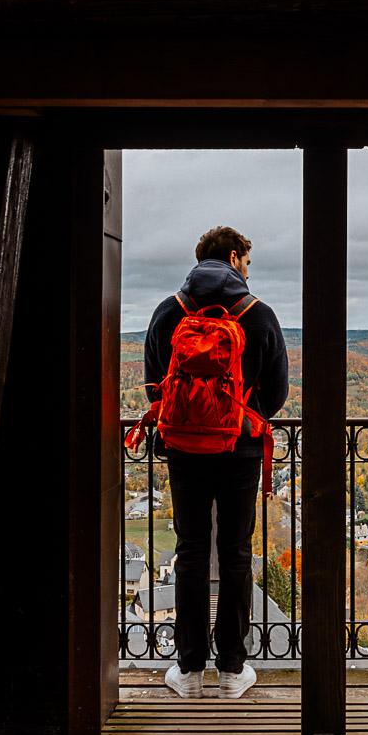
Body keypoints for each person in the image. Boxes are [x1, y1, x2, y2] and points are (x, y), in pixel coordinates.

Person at [144, 226, 288, 698]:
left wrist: (189, 421)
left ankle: (188, 671)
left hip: (183, 449)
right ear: (233, 257)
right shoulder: (259, 315)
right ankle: (231, 669)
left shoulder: (169, 312)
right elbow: (278, 392)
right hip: (240, 450)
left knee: (189, 552)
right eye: (247, 260)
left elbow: (153, 386)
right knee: (236, 552)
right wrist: (243, 420)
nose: (248, 269)